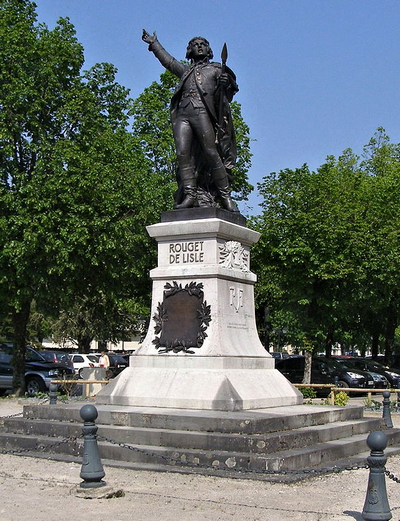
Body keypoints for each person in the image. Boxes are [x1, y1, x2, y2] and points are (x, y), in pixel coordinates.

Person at [142, 30, 239, 212]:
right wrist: (154, 44)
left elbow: (228, 95)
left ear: (208, 50)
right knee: (182, 154)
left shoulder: (216, 69)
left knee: (211, 152)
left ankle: (225, 196)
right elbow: (169, 62)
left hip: (202, 113)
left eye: (203, 44)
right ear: (189, 50)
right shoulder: (186, 72)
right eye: (195, 44)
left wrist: (225, 83)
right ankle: (190, 195)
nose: (199, 46)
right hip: (183, 114)